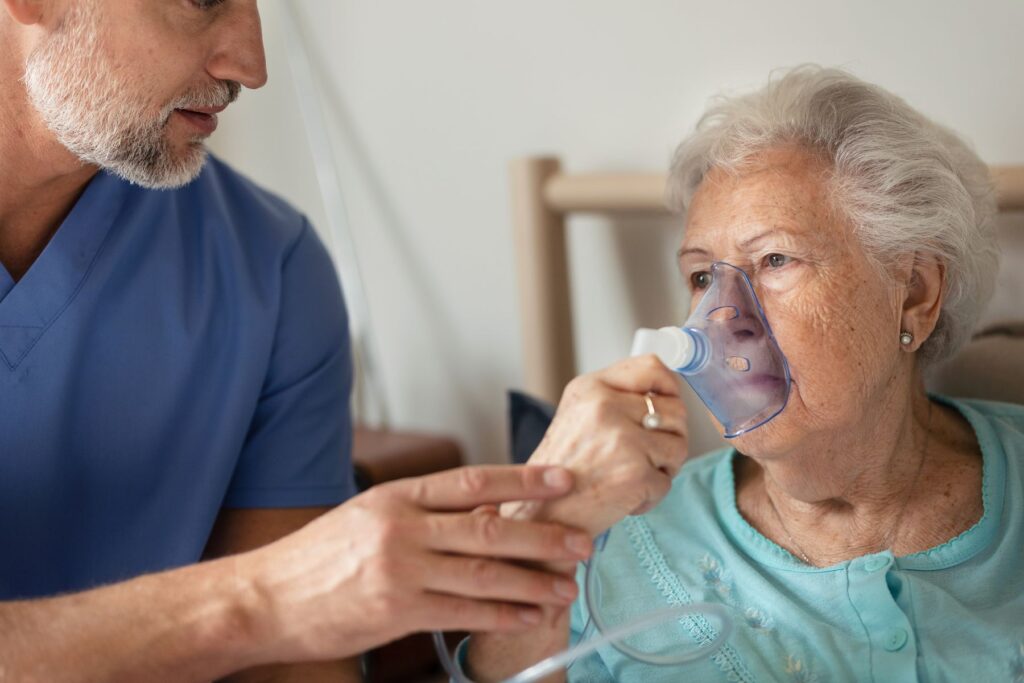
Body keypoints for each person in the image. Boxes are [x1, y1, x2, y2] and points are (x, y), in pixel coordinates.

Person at [0, 1, 612, 680]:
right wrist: (258, 602)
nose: (252, 65)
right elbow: (282, 610)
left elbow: (295, 666)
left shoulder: (270, 267)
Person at [467, 66, 1024, 682]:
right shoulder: (615, 545)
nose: (721, 319)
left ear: (914, 293)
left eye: (775, 259)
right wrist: (543, 530)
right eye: (703, 276)